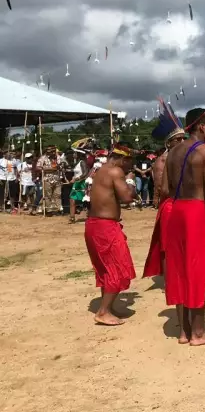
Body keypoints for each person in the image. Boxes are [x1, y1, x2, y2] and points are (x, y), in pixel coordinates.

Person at [163, 108, 205, 346]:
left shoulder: (172, 153)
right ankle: (199, 333)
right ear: (202, 126)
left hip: (177, 211)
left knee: (180, 269)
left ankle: (184, 331)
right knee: (197, 270)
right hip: (197, 213)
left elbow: (166, 190)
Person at [83, 143, 137, 325]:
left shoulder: (100, 171)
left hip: (93, 225)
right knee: (119, 267)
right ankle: (103, 311)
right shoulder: (116, 172)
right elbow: (127, 197)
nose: (131, 166)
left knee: (106, 269)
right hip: (105, 227)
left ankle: (107, 307)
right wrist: (130, 180)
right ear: (123, 159)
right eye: (130, 162)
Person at [143, 100, 185, 282]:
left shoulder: (181, 157)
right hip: (170, 206)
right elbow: (162, 188)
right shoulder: (162, 161)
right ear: (169, 143)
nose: (182, 142)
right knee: (168, 246)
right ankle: (170, 281)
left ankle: (178, 277)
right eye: (178, 139)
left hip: (181, 205)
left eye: (184, 138)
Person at [37, 145, 62, 215]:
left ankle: (58, 209)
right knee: (48, 195)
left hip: (57, 179)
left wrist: (59, 167)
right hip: (47, 179)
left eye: (54, 151)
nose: (53, 153)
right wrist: (47, 169)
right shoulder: (43, 158)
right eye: (51, 152)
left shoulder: (58, 157)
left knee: (58, 194)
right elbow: (38, 167)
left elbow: (61, 166)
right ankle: (48, 210)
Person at [68, 150, 90, 223]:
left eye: (75, 153)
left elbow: (85, 173)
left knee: (86, 200)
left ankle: (91, 215)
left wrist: (77, 178)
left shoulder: (82, 162)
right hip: (76, 183)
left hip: (82, 183)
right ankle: (72, 217)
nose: (73, 154)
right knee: (72, 199)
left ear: (79, 154)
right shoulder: (77, 162)